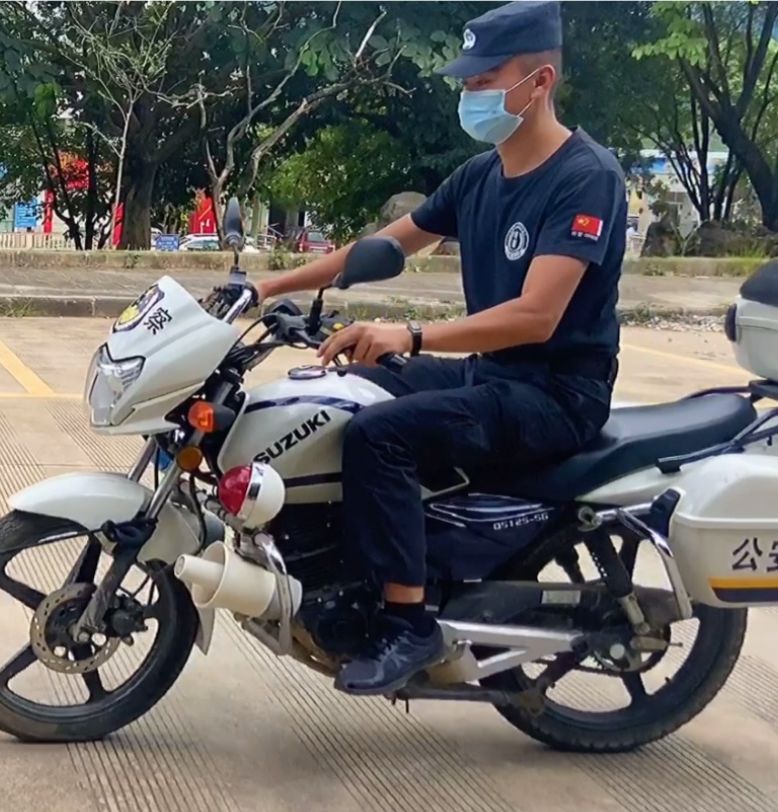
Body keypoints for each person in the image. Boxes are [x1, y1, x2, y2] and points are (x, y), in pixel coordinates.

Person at [249, 0, 627, 696]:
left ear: (537, 82)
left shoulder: (585, 176)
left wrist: (411, 333)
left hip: (554, 395)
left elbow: (536, 317)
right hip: (493, 378)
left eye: (484, 80)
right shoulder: (480, 176)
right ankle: (343, 569)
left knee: (381, 436)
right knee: (345, 392)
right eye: (465, 81)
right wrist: (263, 287)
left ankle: (405, 619)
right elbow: (380, 246)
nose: (468, 93)